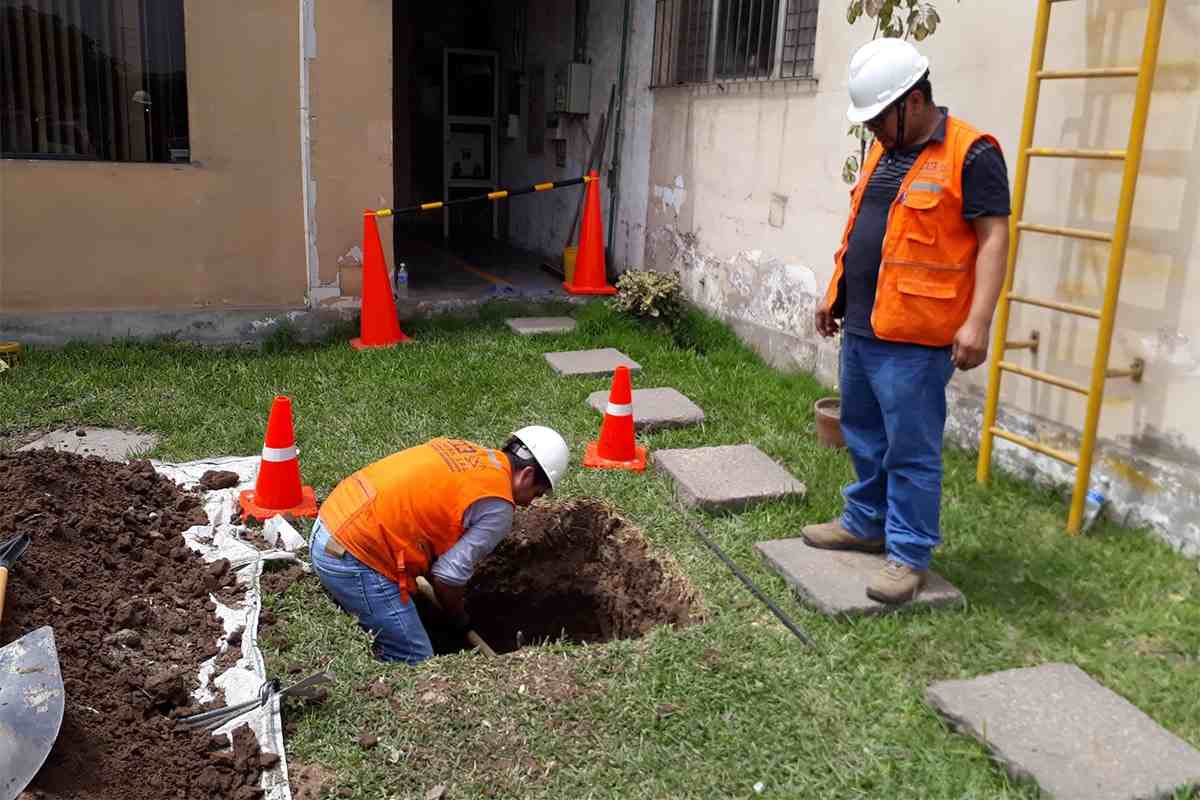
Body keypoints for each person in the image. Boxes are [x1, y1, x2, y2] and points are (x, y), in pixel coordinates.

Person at [805, 38, 1011, 604]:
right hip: (865, 327)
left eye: (878, 118)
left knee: (910, 450)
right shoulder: (884, 151)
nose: (872, 130)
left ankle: (909, 553)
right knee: (864, 434)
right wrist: (836, 292)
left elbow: (995, 239)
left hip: (918, 339)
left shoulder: (972, 154)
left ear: (913, 101)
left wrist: (979, 322)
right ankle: (865, 522)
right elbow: (866, 228)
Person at [309, 426, 570, 664]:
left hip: (331, 518)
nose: (529, 504)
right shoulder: (498, 507)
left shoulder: (464, 450)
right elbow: (447, 577)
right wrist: (459, 618)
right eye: (536, 494)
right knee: (416, 658)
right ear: (526, 475)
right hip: (352, 557)